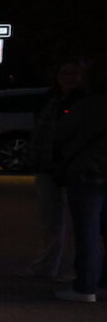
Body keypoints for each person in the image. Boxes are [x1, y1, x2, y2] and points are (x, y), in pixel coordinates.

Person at [47, 65, 107, 303]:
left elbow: (60, 134)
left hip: (88, 173)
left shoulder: (88, 106)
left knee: (87, 231)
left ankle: (85, 286)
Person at [28, 59, 88, 283]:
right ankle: (46, 267)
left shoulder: (85, 101)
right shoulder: (50, 99)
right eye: (65, 72)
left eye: (75, 73)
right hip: (47, 167)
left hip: (74, 168)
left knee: (79, 221)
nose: (69, 78)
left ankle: (77, 270)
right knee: (50, 220)